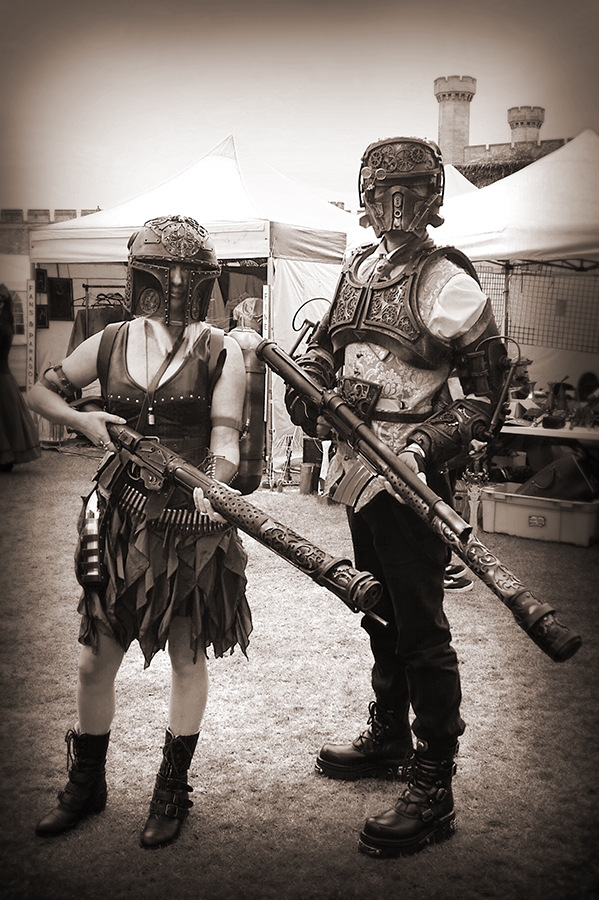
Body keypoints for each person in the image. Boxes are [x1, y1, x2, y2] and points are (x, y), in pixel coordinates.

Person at [285, 137, 510, 857]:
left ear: (433, 197)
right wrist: (311, 391)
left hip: (412, 475)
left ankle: (433, 778)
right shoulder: (355, 271)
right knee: (376, 608)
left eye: (411, 192)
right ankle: (387, 736)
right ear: (364, 196)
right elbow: (324, 349)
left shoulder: (448, 281)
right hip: (355, 469)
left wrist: (420, 447)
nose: (396, 206)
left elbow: (485, 395)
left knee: (421, 626)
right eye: (384, 193)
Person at [29, 215, 251, 848]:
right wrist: (85, 421)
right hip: (116, 514)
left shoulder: (220, 347)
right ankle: (87, 783)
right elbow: (41, 395)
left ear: (204, 280)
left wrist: (215, 484)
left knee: (186, 653)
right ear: (143, 279)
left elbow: (226, 439)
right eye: (165, 276)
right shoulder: (110, 340)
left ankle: (171, 789)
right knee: (95, 655)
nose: (175, 289)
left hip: (188, 523)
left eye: (189, 278)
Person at [0, 284, 41, 471]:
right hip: (3, 376)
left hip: (1, 377)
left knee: (7, 420)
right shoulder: (5, 323)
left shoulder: (4, 326)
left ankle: (6, 457)